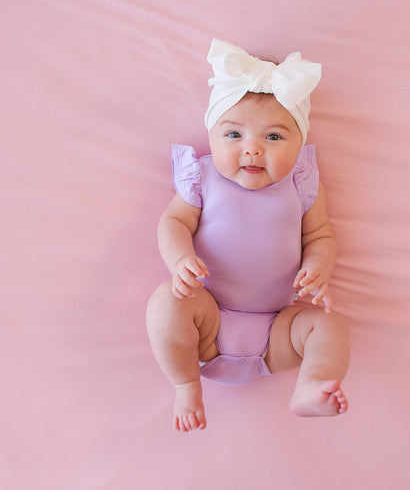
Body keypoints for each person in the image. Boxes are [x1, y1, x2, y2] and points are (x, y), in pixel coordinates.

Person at [146, 39, 350, 432]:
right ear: (213, 136)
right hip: (206, 319)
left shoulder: (302, 182)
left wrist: (317, 268)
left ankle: (310, 387)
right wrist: (180, 261)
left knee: (329, 327)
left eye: (273, 137)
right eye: (234, 135)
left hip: (278, 330)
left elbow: (321, 235)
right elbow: (173, 223)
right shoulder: (201, 177)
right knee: (165, 303)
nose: (252, 149)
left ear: (299, 141)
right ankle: (185, 384)